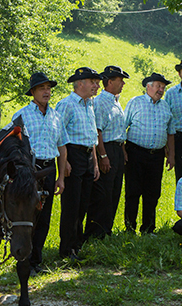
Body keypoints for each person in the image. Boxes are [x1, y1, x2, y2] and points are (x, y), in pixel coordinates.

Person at [10, 72, 68, 274]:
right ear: (33, 92)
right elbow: (9, 143)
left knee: (44, 217)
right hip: (28, 171)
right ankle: (23, 261)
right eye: (42, 88)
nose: (46, 92)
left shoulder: (56, 116)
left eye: (48, 88)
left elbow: (62, 147)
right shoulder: (21, 116)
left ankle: (36, 261)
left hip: (49, 169)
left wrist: (60, 177)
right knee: (28, 216)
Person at [55, 67, 103, 260]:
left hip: (88, 156)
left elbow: (92, 136)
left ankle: (77, 244)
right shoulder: (66, 105)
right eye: (93, 82)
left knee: (83, 203)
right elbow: (58, 135)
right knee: (71, 205)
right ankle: (66, 249)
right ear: (80, 83)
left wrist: (96, 163)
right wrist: (63, 162)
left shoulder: (89, 104)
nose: (97, 86)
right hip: (72, 155)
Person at [123, 73, 174, 234]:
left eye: (163, 87)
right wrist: (122, 149)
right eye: (158, 86)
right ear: (148, 87)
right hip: (135, 152)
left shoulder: (165, 106)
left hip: (157, 155)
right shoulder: (135, 102)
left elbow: (170, 132)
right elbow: (122, 126)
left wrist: (171, 154)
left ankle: (148, 228)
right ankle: (130, 227)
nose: (161, 90)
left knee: (152, 192)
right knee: (133, 191)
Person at [84, 66, 129, 240]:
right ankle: (96, 232)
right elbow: (98, 131)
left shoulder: (116, 101)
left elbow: (119, 129)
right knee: (104, 193)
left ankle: (107, 231)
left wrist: (123, 151)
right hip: (107, 148)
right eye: (120, 80)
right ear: (110, 82)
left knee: (115, 191)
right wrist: (103, 156)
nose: (123, 83)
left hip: (117, 148)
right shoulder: (101, 102)